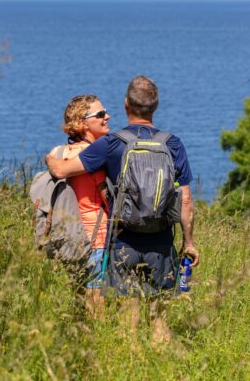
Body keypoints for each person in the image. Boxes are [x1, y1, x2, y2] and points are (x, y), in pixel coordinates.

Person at [46, 75, 200, 344]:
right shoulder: (173, 144)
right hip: (162, 241)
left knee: (127, 319)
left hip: (122, 240)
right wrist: (189, 243)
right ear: (156, 105)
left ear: (126, 104)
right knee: (158, 317)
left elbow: (60, 169)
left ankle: (129, 362)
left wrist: (51, 156)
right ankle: (161, 364)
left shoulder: (112, 144)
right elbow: (185, 201)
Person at [50, 94, 110, 319]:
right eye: (101, 114)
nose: (107, 117)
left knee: (77, 294)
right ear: (83, 123)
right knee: (96, 297)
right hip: (96, 235)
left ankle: (79, 336)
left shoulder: (59, 153)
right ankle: (100, 340)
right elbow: (107, 198)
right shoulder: (91, 157)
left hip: (68, 234)